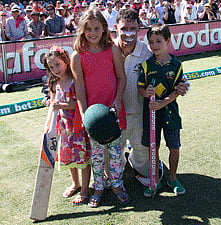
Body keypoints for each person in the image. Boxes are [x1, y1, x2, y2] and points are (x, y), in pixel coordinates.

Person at [114, 9, 189, 187]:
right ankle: (120, 163)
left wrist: (185, 84)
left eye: (133, 28)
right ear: (116, 28)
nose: (128, 33)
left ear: (139, 28)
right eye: (124, 28)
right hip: (115, 117)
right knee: (111, 171)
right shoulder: (109, 50)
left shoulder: (147, 53)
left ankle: (137, 160)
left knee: (149, 175)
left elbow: (170, 67)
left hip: (141, 116)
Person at [71, 9, 130, 208]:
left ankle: (116, 185)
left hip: (113, 110)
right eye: (89, 29)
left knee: (115, 153)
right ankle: (98, 187)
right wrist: (85, 113)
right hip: (93, 116)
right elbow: (79, 88)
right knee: (96, 155)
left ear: (105, 28)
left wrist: (117, 101)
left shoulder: (113, 49)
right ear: (82, 30)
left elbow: (122, 78)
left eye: (97, 28)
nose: (93, 33)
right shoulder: (77, 56)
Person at [137, 23, 185, 197]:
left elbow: (178, 90)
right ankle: (155, 180)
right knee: (153, 148)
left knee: (174, 148)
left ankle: (172, 178)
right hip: (150, 115)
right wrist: (145, 92)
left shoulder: (176, 65)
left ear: (168, 41)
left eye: (158, 41)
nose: (154, 45)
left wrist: (162, 102)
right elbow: (140, 88)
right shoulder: (146, 65)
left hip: (170, 114)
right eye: (151, 42)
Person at [43, 45, 91, 206]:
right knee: (69, 156)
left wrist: (60, 106)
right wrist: (48, 124)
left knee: (83, 157)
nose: (55, 69)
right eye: (51, 67)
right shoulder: (54, 83)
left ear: (65, 61)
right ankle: (75, 183)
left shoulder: (75, 79)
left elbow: (78, 103)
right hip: (63, 128)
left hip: (78, 126)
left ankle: (85, 189)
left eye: (58, 64)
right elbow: (53, 105)